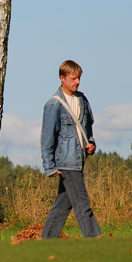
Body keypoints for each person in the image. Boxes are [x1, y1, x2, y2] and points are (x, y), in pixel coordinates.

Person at [40, 60, 101, 239]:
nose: (78, 82)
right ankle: (95, 238)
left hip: (79, 160)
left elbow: (87, 129)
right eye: (73, 79)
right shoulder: (54, 105)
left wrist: (91, 144)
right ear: (62, 78)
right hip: (66, 162)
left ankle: (46, 239)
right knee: (82, 204)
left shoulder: (83, 100)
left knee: (62, 204)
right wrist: (49, 166)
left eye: (79, 78)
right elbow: (47, 138)